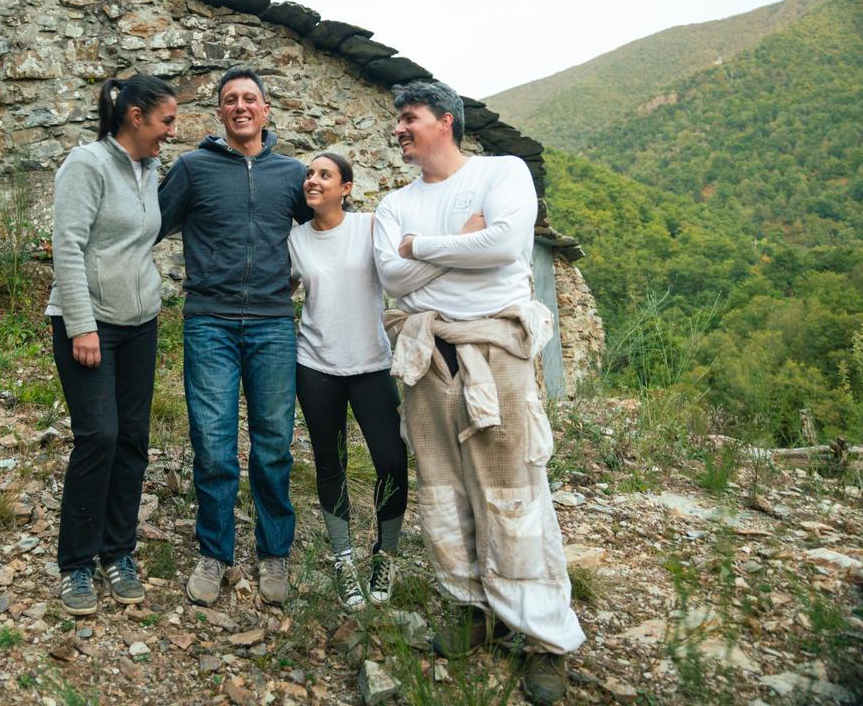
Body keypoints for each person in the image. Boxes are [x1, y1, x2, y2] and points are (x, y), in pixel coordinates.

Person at [372, 81, 584, 704]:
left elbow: (507, 245)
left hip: (497, 352)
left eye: (409, 119)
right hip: (426, 357)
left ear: (445, 120)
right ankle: (469, 606)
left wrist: (426, 249)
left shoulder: (502, 172)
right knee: (443, 489)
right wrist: (461, 243)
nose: (399, 130)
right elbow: (392, 275)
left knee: (515, 489)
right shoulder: (393, 204)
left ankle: (545, 636)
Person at [157, 68, 312, 607]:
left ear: (266, 111)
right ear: (219, 114)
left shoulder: (293, 174)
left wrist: (300, 271)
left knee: (273, 447)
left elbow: (325, 229)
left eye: (250, 99)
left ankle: (274, 554)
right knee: (214, 444)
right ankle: (214, 554)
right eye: (230, 100)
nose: (241, 106)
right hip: (209, 323)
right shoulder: (193, 169)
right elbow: (146, 224)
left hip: (272, 323)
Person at [46, 74, 177, 616]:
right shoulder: (86, 164)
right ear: (135, 116)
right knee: (98, 435)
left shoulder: (151, 171)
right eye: (167, 120)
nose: (172, 131)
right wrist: (81, 324)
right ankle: (77, 564)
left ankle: (117, 552)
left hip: (141, 323)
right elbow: (68, 246)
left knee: (131, 440)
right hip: (89, 322)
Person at [287, 152, 408, 612]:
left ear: (347, 188)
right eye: (309, 175)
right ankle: (343, 560)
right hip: (315, 365)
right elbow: (284, 288)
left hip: (372, 364)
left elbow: (403, 270)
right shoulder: (295, 240)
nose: (313, 181)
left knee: (392, 461)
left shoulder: (371, 227)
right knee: (329, 462)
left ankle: (387, 554)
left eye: (324, 175)